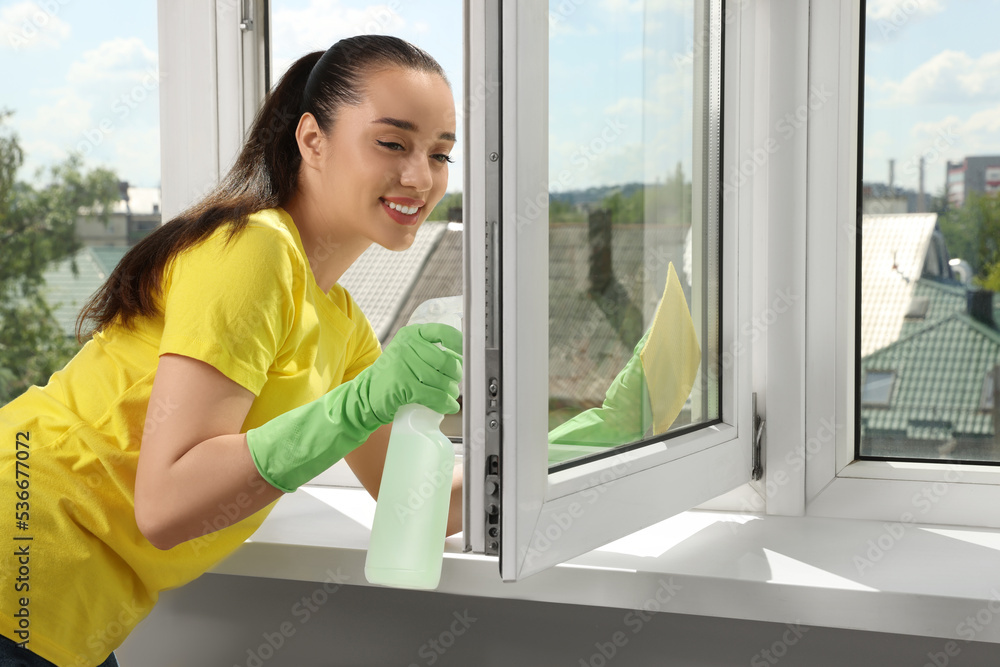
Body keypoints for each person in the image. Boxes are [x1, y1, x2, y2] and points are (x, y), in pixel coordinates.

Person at [0, 35, 462, 667]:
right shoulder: (256, 247)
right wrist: (355, 408)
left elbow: (415, 500)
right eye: (391, 143)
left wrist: (563, 454)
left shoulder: (342, 324)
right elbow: (167, 504)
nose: (420, 177)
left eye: (441, 155)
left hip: (63, 613)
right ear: (312, 139)